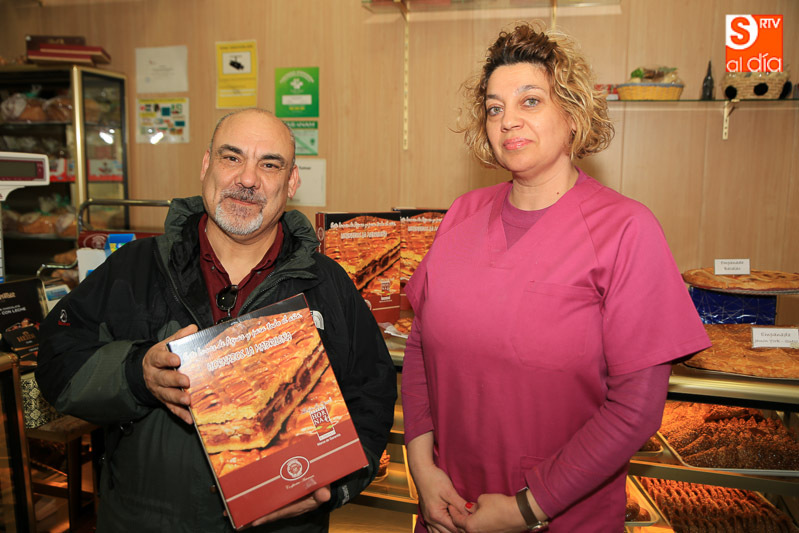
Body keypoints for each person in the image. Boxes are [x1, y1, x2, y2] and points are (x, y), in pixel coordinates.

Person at [401, 22, 710, 533]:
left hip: (563, 516)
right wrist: (422, 468)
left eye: (530, 101)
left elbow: (635, 408)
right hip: (448, 509)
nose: (507, 121)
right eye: (495, 108)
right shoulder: (462, 215)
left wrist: (527, 508)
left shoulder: (625, 230)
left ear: (573, 113)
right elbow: (419, 347)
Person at [36, 108, 397, 533]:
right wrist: (136, 374)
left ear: (291, 182)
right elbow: (57, 363)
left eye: (270, 164)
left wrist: (335, 487)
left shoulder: (328, 284)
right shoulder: (134, 269)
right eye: (232, 157)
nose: (248, 179)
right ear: (207, 165)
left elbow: (371, 398)